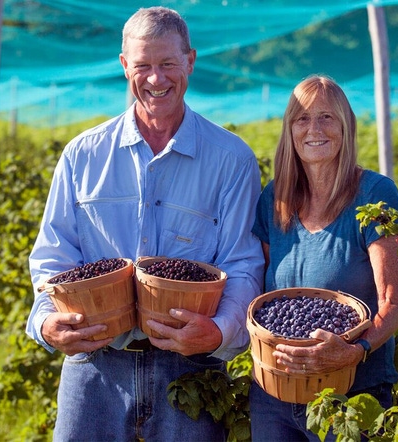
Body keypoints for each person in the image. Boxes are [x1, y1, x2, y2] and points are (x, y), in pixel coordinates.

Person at [25, 6, 264, 441]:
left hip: (192, 367)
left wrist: (217, 331)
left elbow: (243, 263)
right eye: (143, 66)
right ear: (124, 67)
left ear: (190, 60)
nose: (156, 79)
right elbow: (53, 254)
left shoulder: (231, 159)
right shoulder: (83, 154)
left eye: (168, 64)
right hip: (95, 360)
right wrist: (45, 321)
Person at [250, 75, 398, 441]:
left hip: (351, 394)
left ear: (345, 127)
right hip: (275, 394)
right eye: (302, 119)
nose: (314, 129)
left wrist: (356, 349)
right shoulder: (275, 199)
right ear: (290, 131)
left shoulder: (374, 194)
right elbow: (263, 292)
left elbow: (393, 305)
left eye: (326, 117)